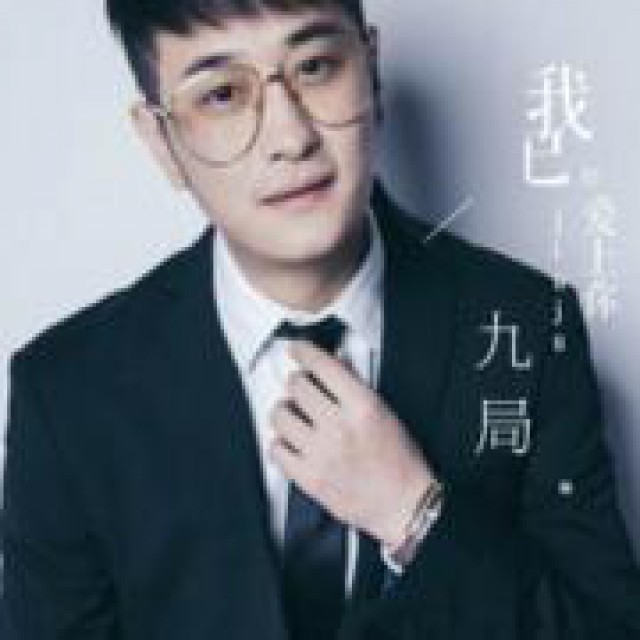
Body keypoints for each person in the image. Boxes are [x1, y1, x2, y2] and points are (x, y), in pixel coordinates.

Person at [2, 1, 640, 638]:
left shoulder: (530, 329)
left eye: (315, 66)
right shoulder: (66, 394)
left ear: (372, 70)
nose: (291, 138)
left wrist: (415, 515)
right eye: (222, 95)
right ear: (161, 141)